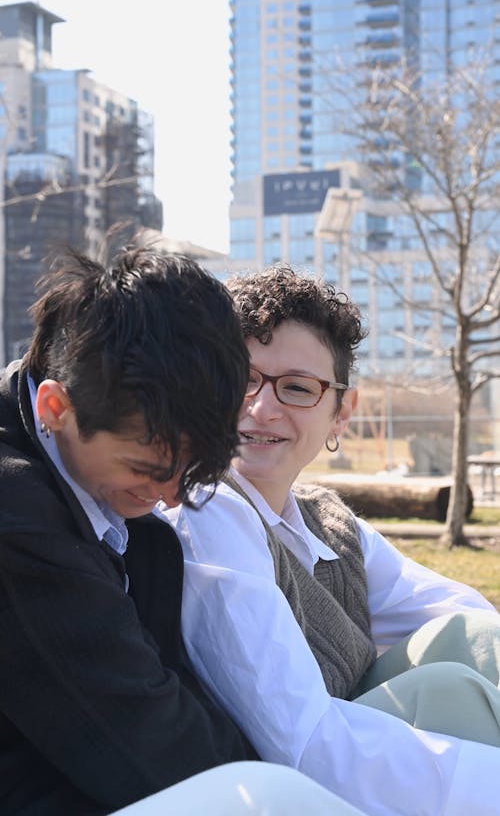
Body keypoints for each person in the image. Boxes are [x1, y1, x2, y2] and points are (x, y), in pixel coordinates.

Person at [0, 245, 366, 816]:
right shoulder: (17, 517)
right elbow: (147, 745)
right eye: (147, 468)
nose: (169, 498)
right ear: (55, 408)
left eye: (195, 472)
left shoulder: (108, 490)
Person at [165, 265, 500, 816]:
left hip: (345, 758)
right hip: (269, 792)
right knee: (448, 695)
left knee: (468, 635)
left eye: (296, 387)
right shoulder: (208, 508)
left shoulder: (326, 521)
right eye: (241, 379)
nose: (260, 407)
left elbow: (462, 617)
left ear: (341, 412)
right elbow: (303, 743)